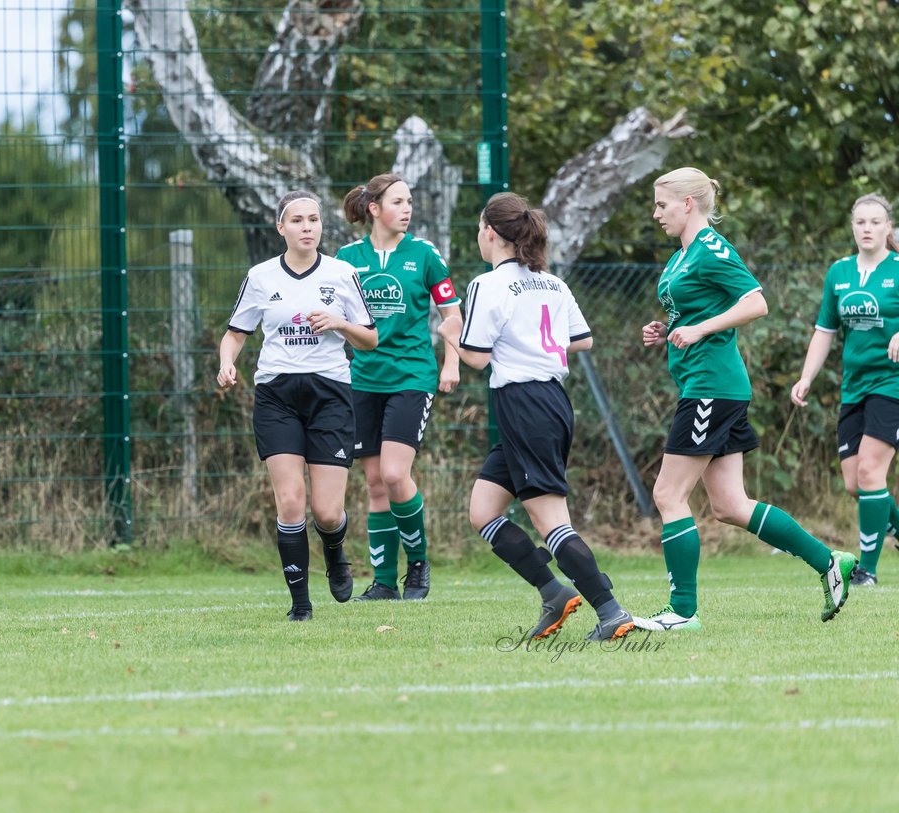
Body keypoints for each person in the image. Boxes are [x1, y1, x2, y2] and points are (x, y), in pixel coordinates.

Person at [638, 167, 856, 631]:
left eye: (662, 204)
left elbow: (756, 302)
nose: (656, 213)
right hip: (710, 386)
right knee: (730, 506)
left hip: (710, 388)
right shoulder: (681, 256)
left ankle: (682, 612)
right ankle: (829, 561)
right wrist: (669, 328)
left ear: (689, 204)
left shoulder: (712, 248)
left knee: (667, 493)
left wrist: (699, 328)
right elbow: (697, 309)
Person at [437, 191, 637, 641]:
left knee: (552, 523)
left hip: (526, 404)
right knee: (483, 511)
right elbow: (582, 340)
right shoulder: (551, 282)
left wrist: (450, 331)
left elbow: (475, 358)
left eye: (478, 229)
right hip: (549, 403)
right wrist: (535, 343)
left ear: (490, 232)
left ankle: (610, 611)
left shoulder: (487, 285)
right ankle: (552, 592)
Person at [217, 190, 378, 621]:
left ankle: (335, 551)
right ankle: (300, 605)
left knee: (327, 512)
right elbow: (235, 333)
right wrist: (226, 363)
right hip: (277, 396)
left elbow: (370, 338)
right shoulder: (261, 276)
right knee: (290, 502)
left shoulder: (343, 274)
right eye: (298, 220)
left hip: (330, 395)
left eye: (314, 219)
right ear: (281, 228)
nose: (308, 227)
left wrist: (340, 323)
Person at [336, 173, 463, 601]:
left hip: (412, 376)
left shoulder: (424, 255)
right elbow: (337, 321)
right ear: (374, 209)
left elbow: (452, 315)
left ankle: (419, 565)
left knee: (394, 474)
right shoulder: (347, 258)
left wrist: (451, 363)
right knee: (373, 483)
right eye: (398, 202)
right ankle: (385, 582)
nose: (407, 209)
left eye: (410, 201)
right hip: (363, 379)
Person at [791, 192, 899, 587]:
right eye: (861, 222)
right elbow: (825, 330)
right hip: (854, 387)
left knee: (871, 472)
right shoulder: (839, 273)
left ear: (888, 228)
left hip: (892, 384)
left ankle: (867, 571)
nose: (867, 228)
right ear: (852, 227)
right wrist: (806, 377)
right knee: (856, 484)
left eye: (875, 222)